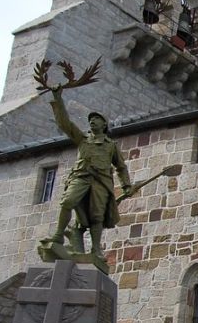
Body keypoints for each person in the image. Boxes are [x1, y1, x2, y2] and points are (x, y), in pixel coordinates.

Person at [45, 88, 132, 257]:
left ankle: (96, 248)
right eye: (91, 119)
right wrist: (57, 98)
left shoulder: (110, 145)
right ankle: (58, 234)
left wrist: (126, 185)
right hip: (81, 177)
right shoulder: (82, 139)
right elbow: (65, 124)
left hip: (101, 181)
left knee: (97, 216)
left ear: (104, 124)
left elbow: (121, 167)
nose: (92, 121)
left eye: (96, 119)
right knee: (67, 202)